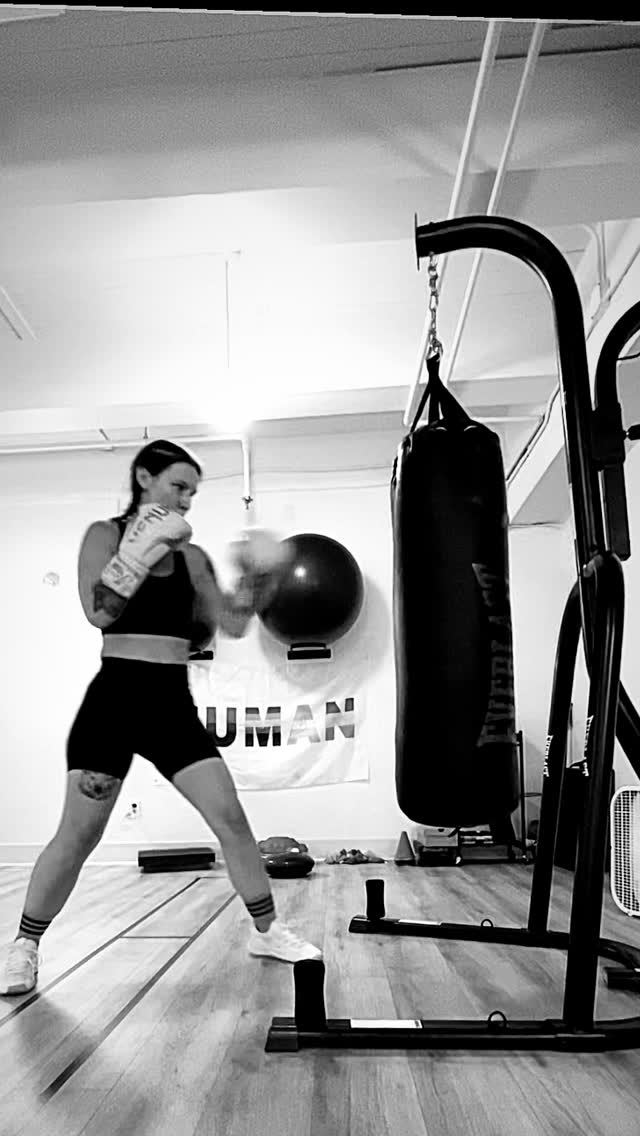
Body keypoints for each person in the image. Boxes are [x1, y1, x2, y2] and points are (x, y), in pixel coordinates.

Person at [0, 439, 321, 996]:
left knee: (231, 818)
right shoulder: (104, 535)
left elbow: (234, 624)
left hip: (171, 702)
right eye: (178, 486)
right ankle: (24, 946)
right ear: (144, 477)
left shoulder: (193, 557)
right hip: (116, 697)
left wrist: (255, 580)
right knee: (78, 835)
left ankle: (267, 930)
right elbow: (97, 610)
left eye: (194, 492)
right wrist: (140, 548)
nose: (187, 499)